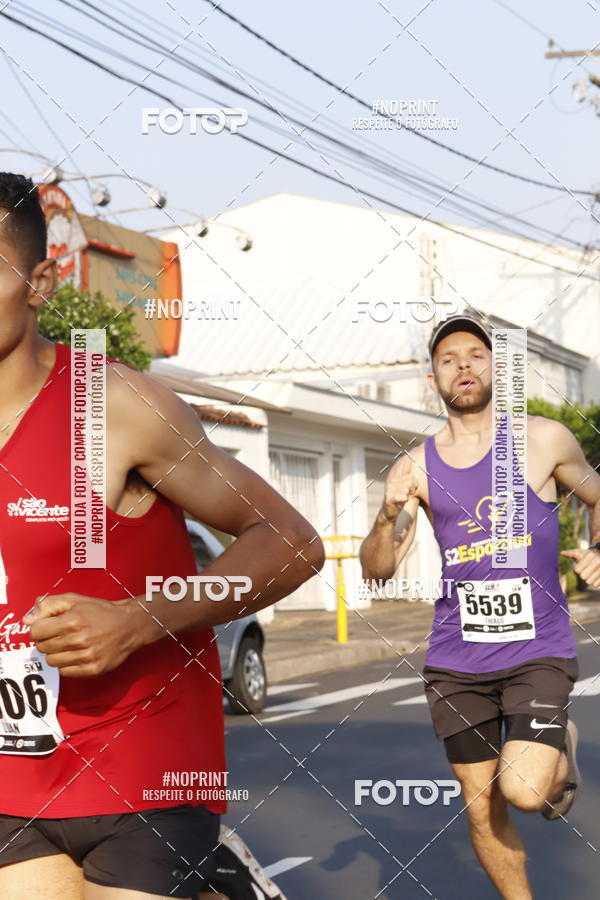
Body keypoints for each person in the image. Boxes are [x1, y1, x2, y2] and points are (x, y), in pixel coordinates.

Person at [0, 172, 325, 899]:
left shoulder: (115, 404)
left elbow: (289, 539)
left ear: (42, 283)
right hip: (14, 765)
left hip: (144, 754)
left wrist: (136, 619)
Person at [360, 312, 600, 900]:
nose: (462, 366)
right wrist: (390, 513)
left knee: (522, 789)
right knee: (479, 804)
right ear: (433, 378)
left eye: (475, 354)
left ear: (496, 366)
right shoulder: (413, 467)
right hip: (455, 660)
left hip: (536, 650)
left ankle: (557, 749)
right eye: (448, 359)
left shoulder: (541, 440)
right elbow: (377, 570)